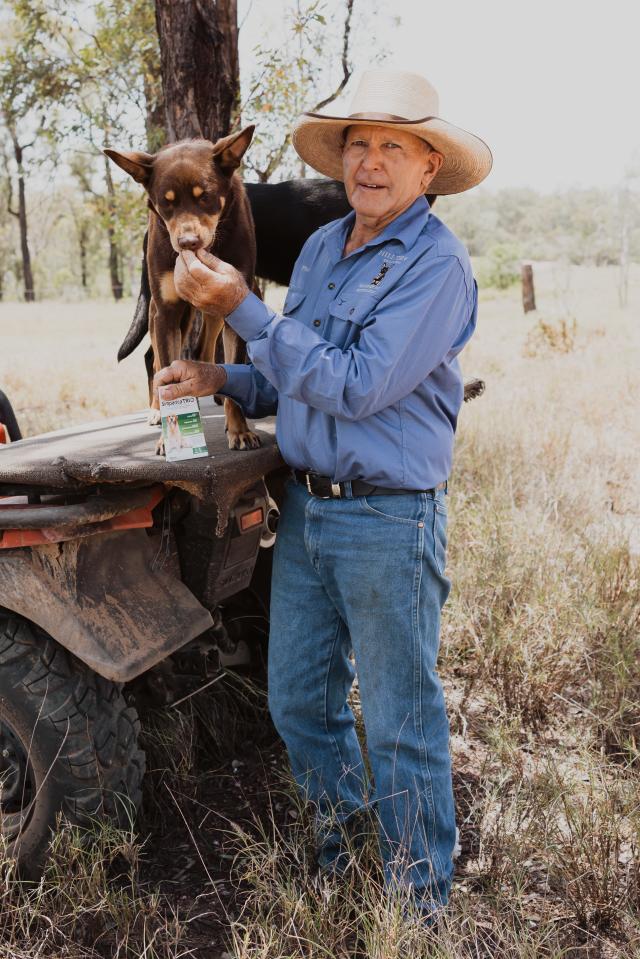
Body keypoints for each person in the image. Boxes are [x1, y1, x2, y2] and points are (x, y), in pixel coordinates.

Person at [154, 69, 492, 918]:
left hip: (386, 517)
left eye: (393, 146)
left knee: (400, 716)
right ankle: (343, 851)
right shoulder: (318, 248)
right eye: (358, 144)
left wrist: (247, 310)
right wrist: (221, 370)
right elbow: (290, 377)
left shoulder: (436, 266)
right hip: (305, 508)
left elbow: (356, 383)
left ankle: (417, 904)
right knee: (298, 700)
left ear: (428, 167)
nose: (370, 162)